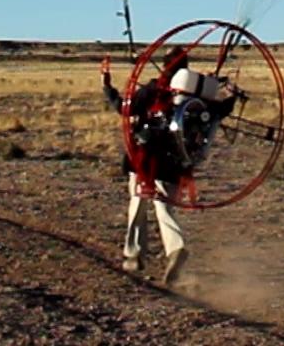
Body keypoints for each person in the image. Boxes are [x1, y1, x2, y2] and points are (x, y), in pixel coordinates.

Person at [101, 50, 239, 285]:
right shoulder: (197, 95)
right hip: (175, 163)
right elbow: (219, 112)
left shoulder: (154, 89)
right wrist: (232, 96)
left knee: (138, 205)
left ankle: (133, 255)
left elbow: (124, 108)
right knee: (164, 209)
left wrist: (107, 85)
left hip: (145, 160)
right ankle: (176, 249)